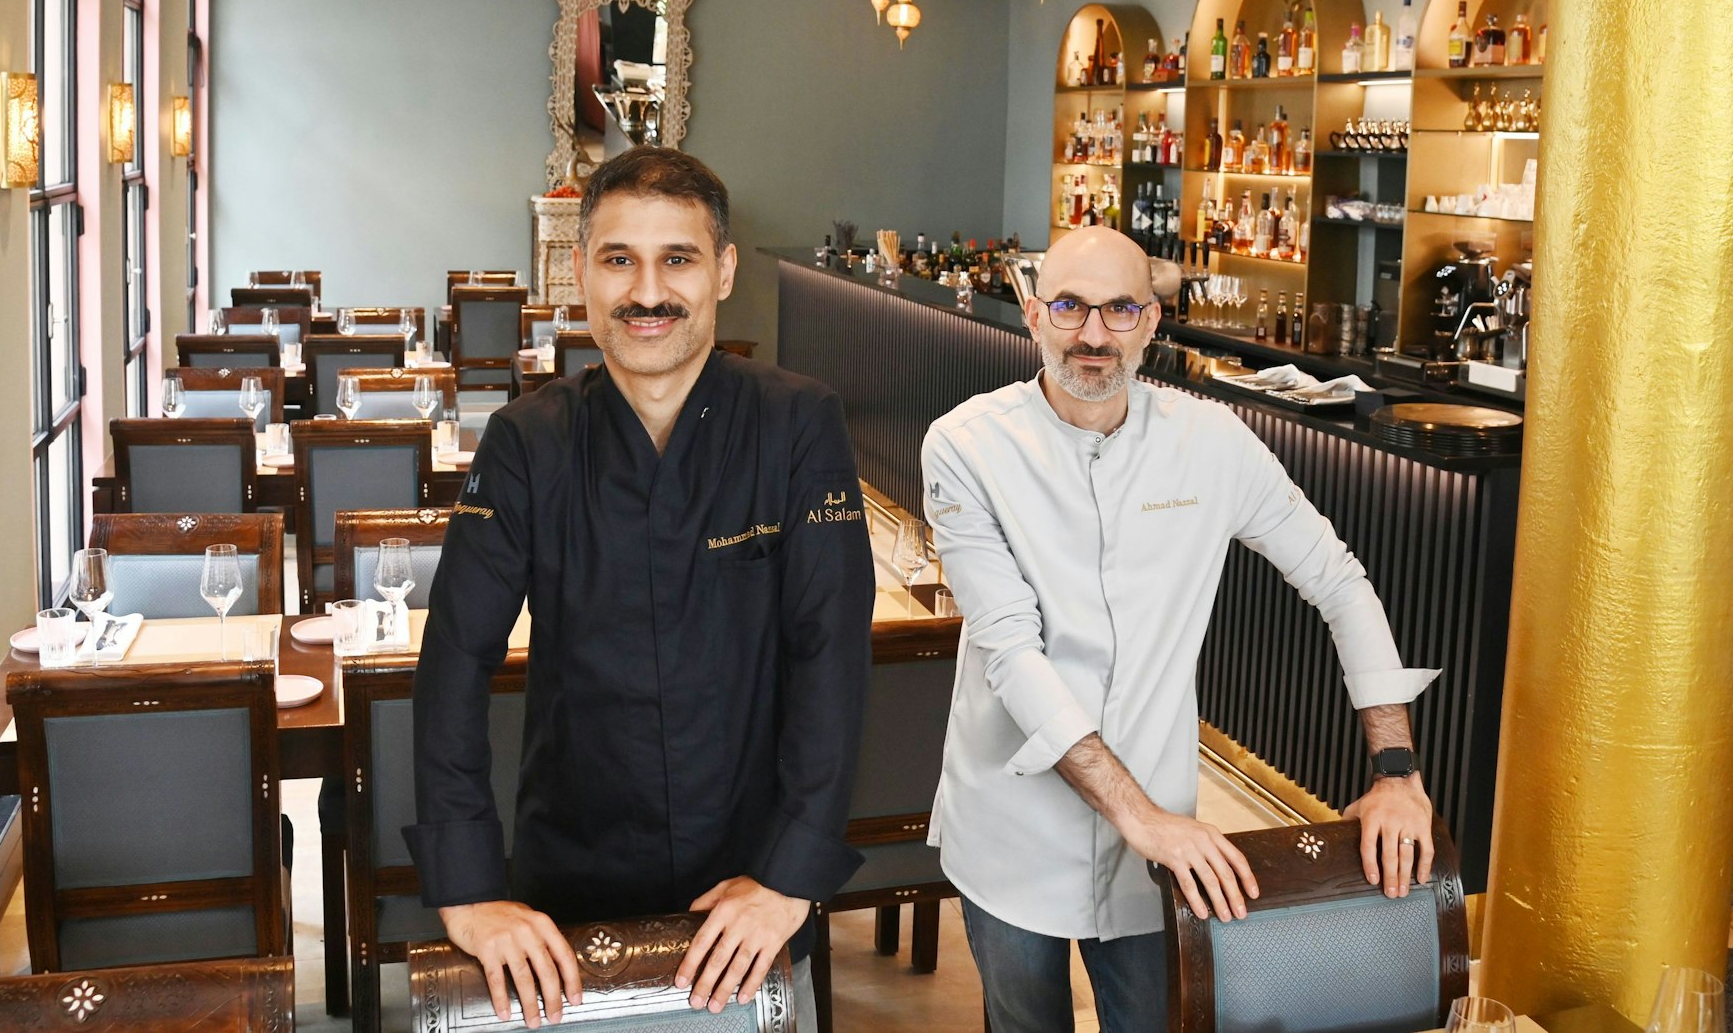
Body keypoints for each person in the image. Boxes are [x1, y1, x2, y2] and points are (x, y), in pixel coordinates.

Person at [922, 226, 1442, 1033]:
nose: (1093, 336)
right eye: (1069, 307)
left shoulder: (1213, 442)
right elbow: (1013, 654)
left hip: (1158, 844)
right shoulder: (965, 445)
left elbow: (1340, 580)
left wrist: (1397, 769)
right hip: (1012, 825)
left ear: (1153, 322)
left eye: (1119, 310)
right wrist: (1141, 816)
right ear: (1032, 315)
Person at [406, 147, 873, 1029]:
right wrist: (467, 887)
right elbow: (454, 660)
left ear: (724, 270)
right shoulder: (525, 443)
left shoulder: (797, 423)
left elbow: (831, 661)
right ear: (580, 271)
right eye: (619, 259)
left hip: (748, 884)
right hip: (570, 887)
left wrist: (789, 874)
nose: (647, 291)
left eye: (679, 259)